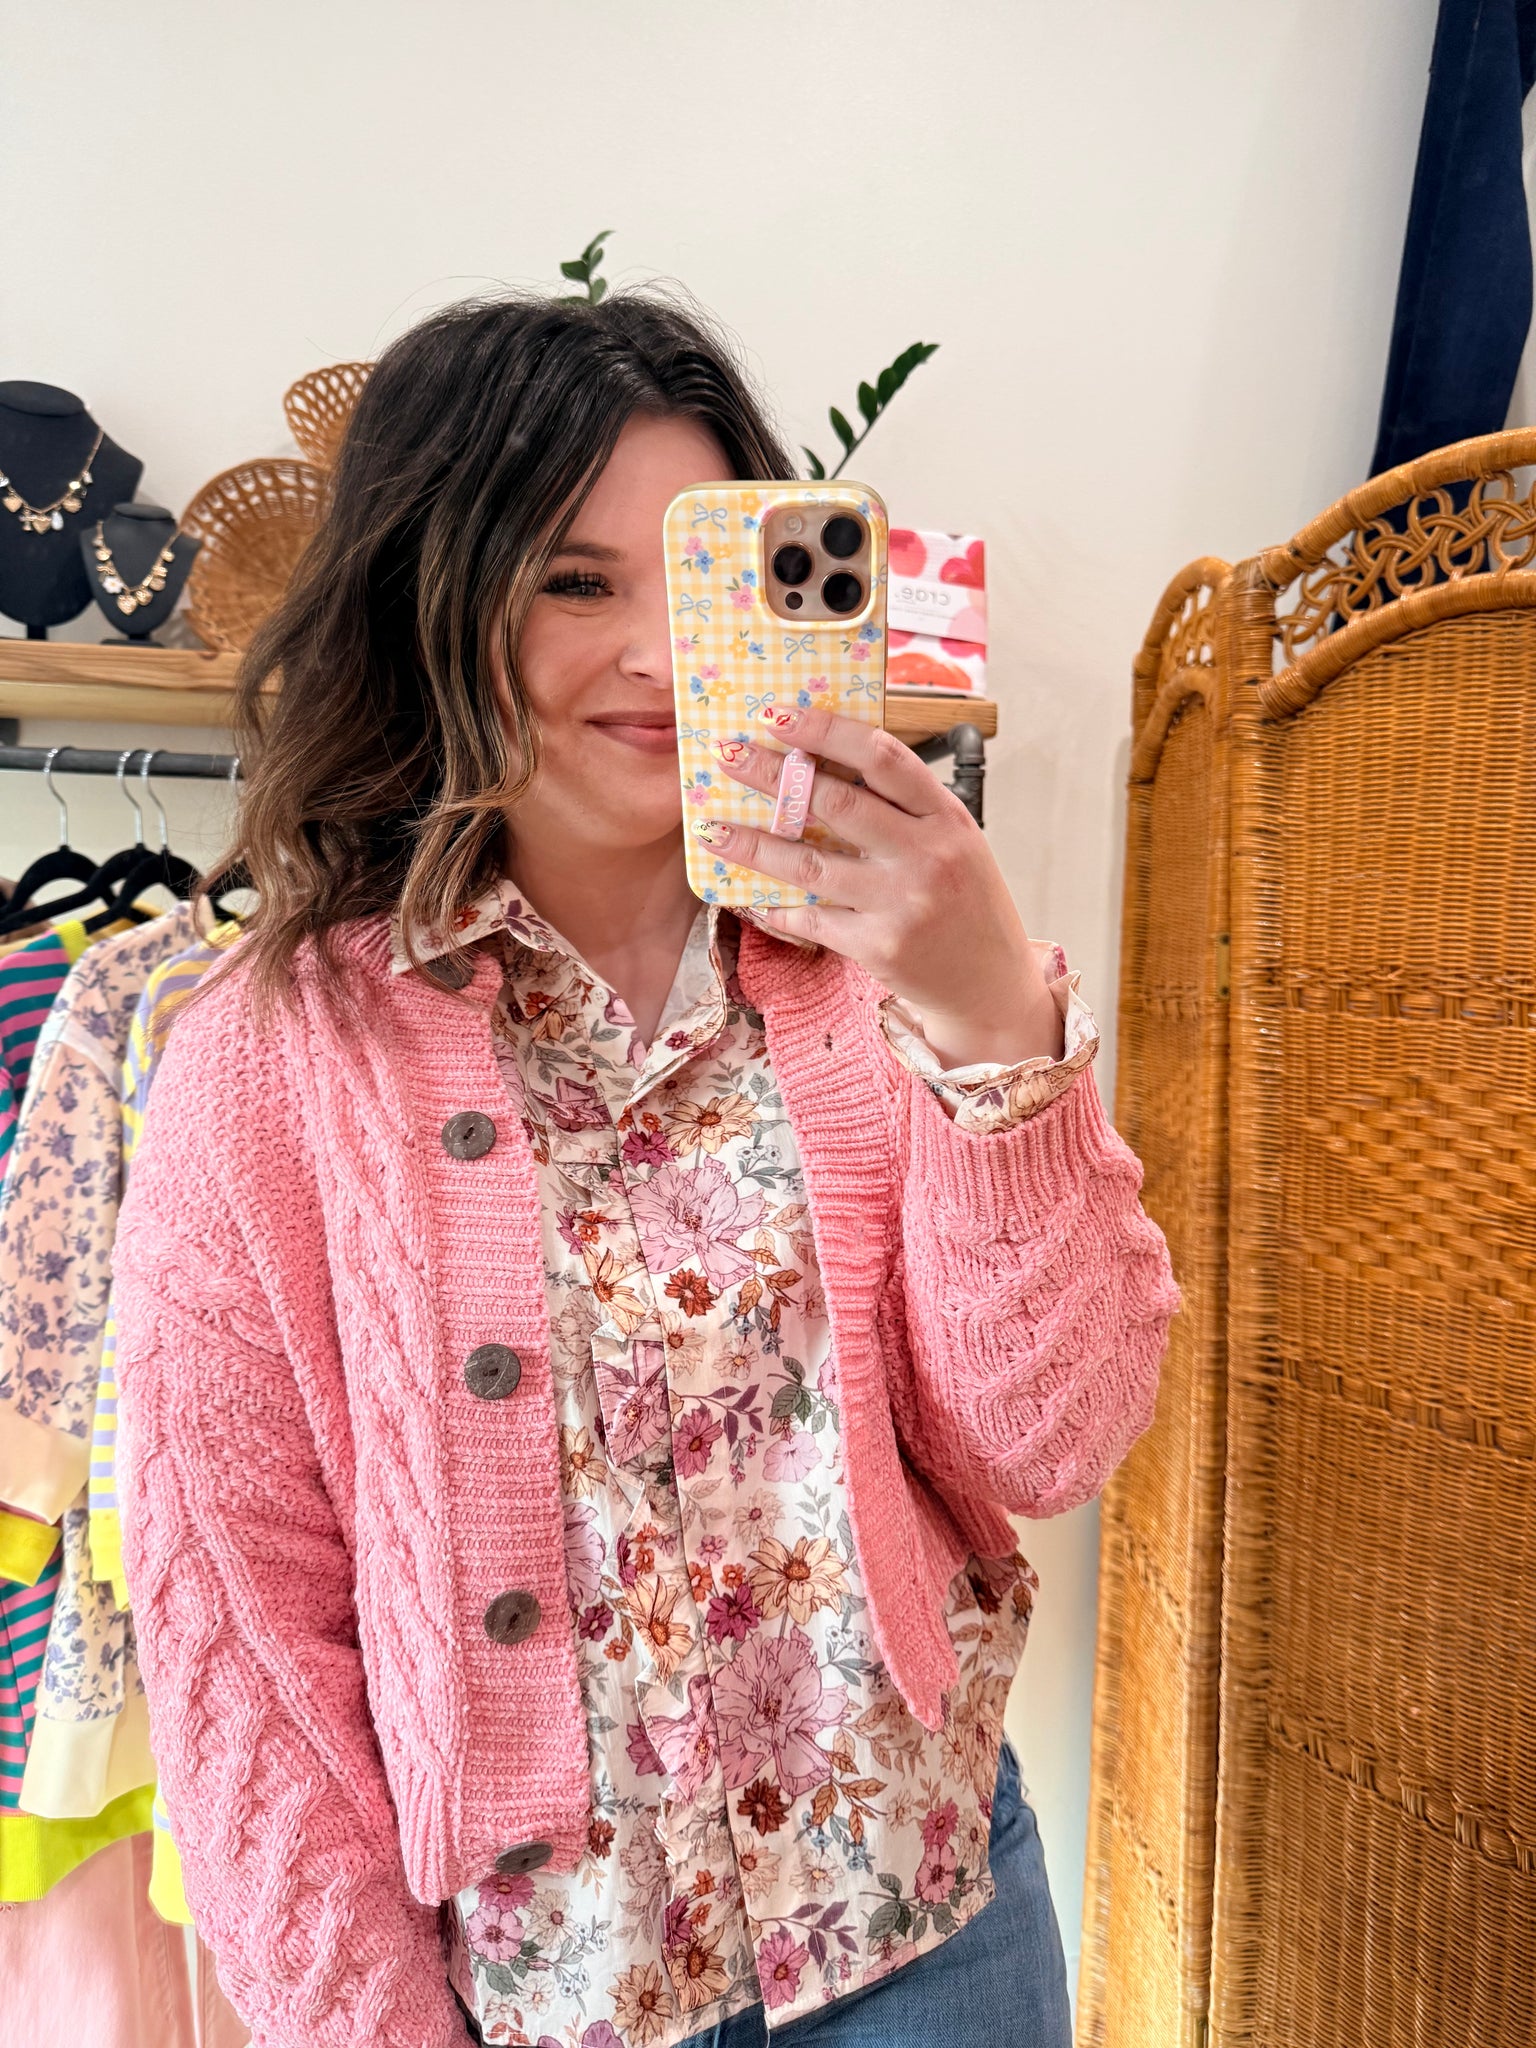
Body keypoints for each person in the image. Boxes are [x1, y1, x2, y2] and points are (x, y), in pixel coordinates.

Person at [113, 292, 1177, 2048]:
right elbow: (250, 1653)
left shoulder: (886, 984)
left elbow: (1049, 1442)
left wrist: (991, 1019)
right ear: (431, 596)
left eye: (694, 584)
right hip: (548, 1996)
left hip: (933, 1928)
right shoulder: (272, 1062)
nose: (662, 664)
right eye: (574, 581)